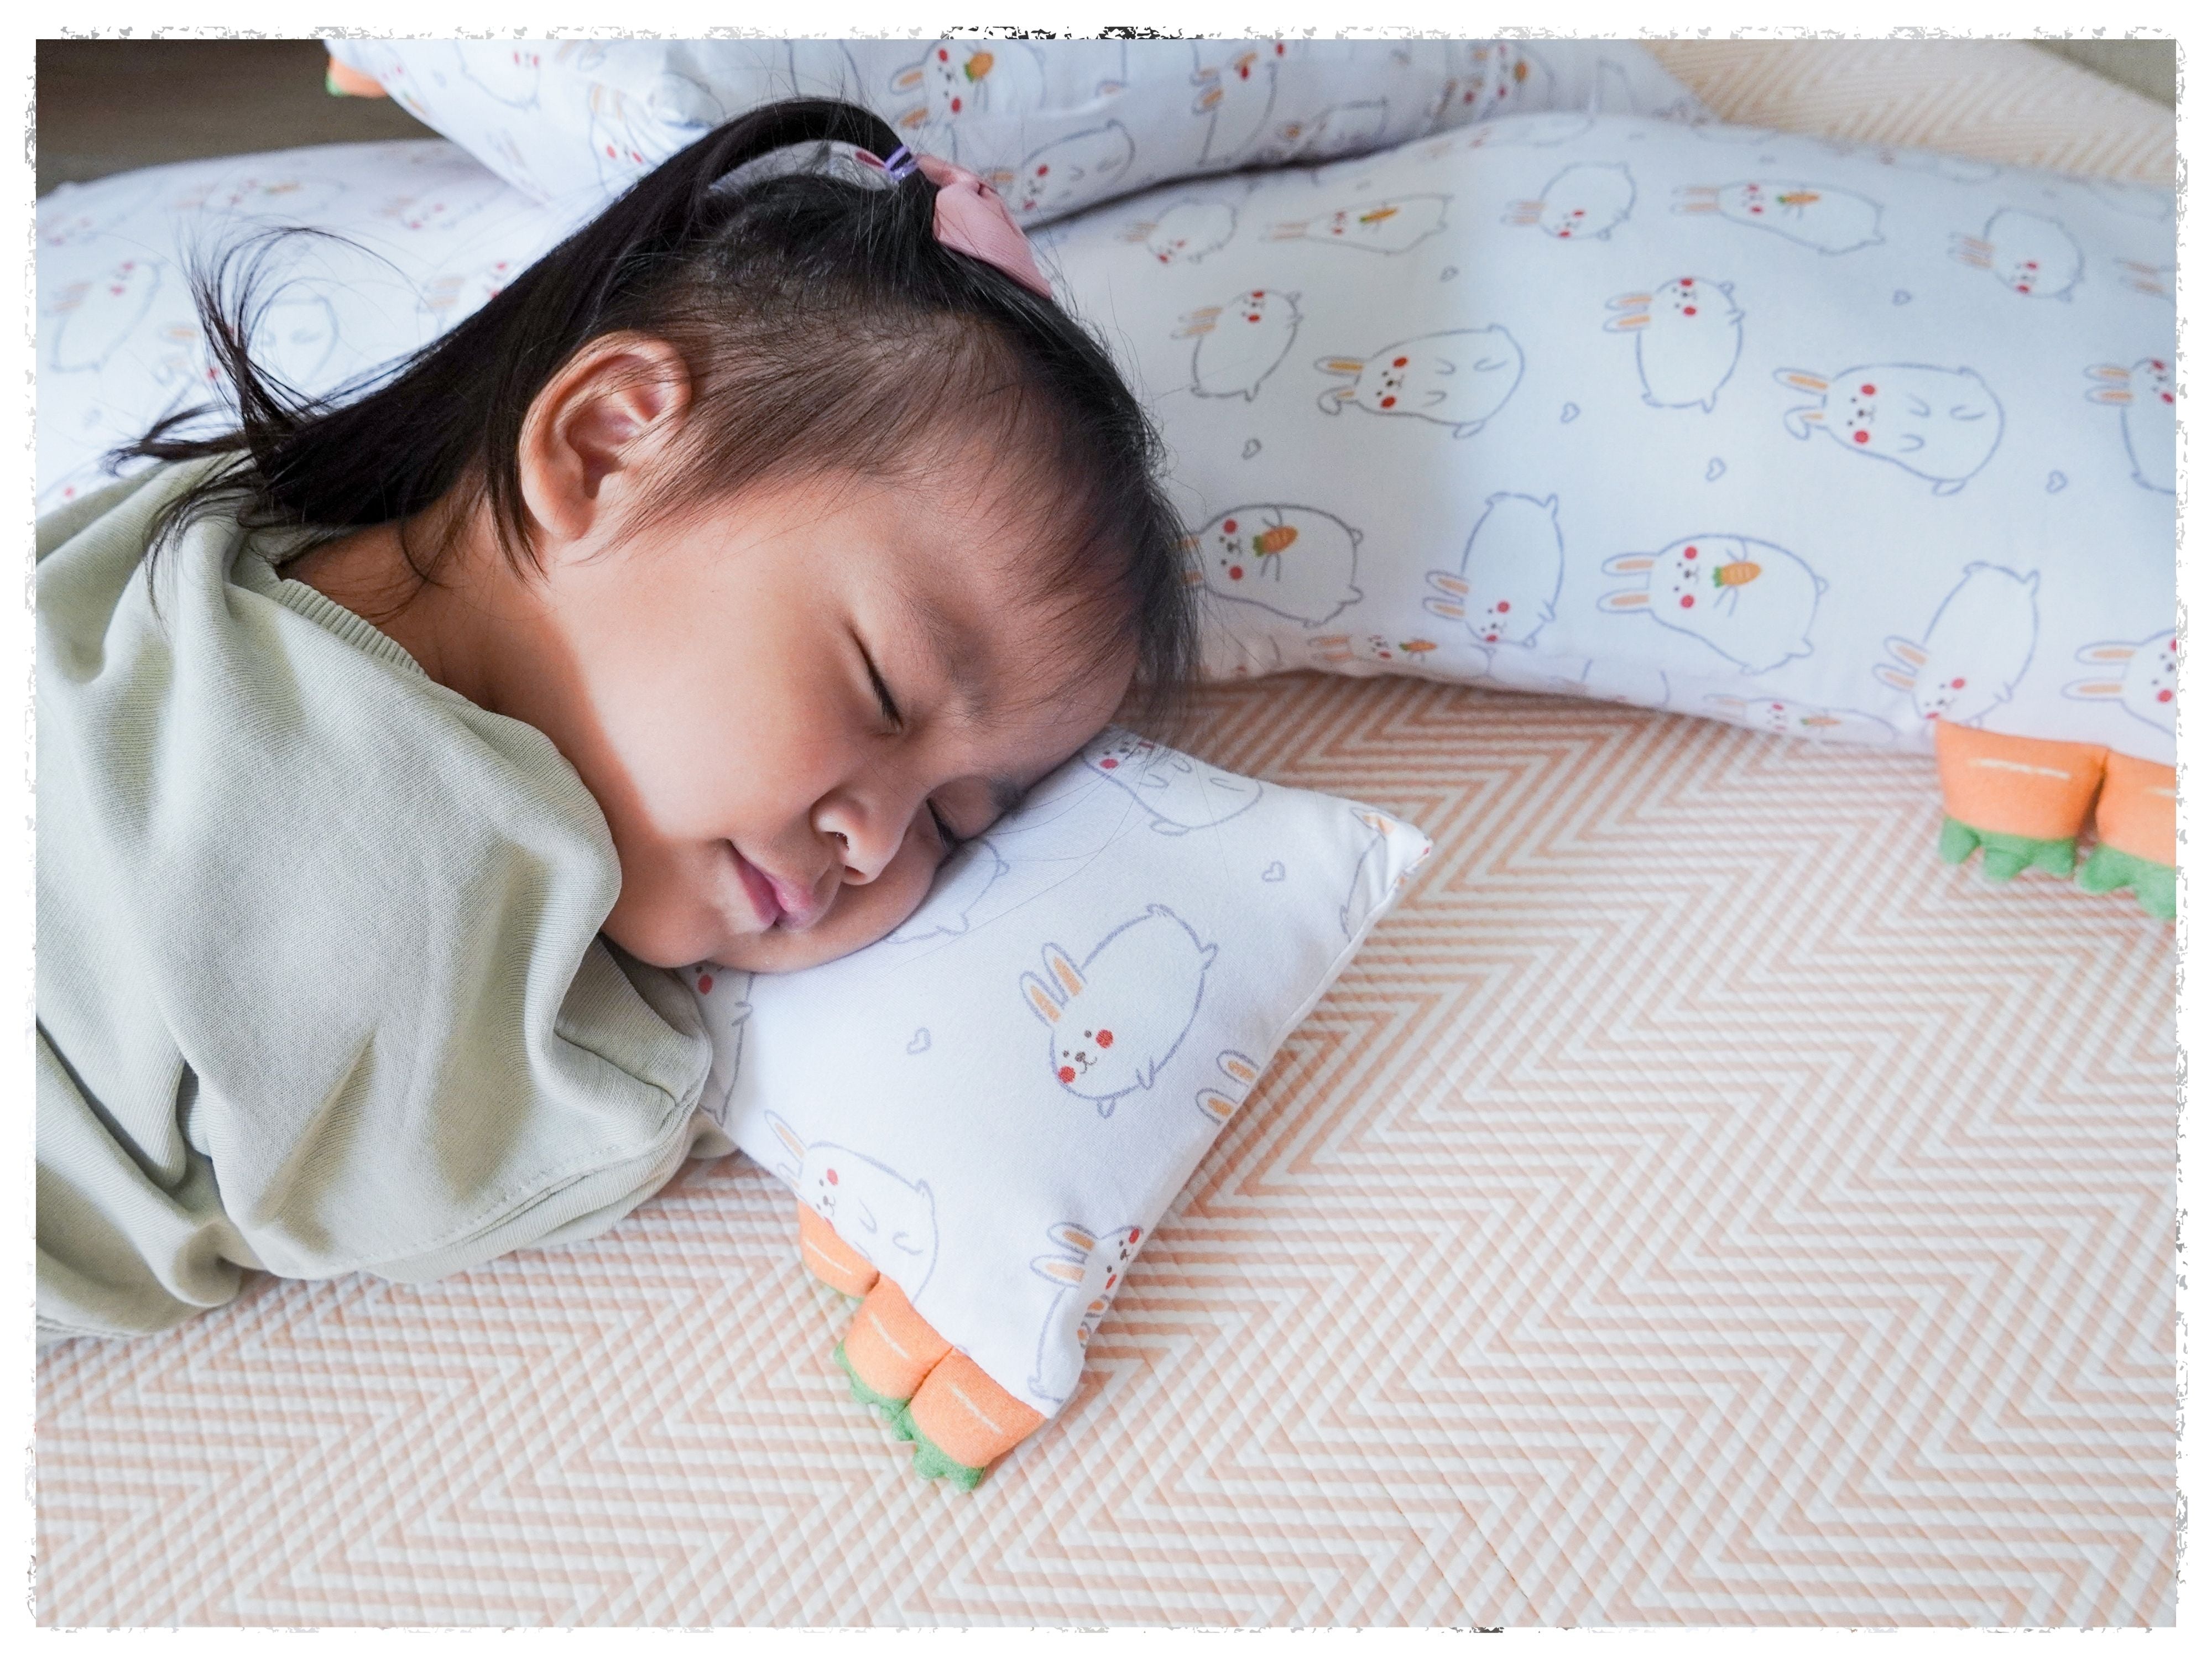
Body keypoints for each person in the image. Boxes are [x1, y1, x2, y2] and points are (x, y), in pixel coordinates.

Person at [35, 98, 1196, 1343]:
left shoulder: (213, 543)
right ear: (604, 444)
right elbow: (434, 1185)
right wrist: (691, 1107)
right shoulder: (399, 856)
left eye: (954, 821)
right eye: (881, 692)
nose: (876, 845)